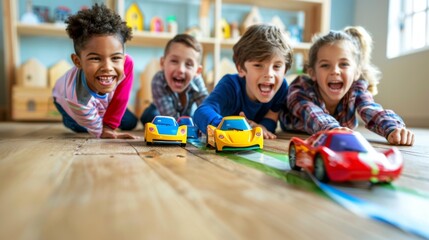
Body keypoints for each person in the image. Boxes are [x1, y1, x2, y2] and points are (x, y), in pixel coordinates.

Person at [279, 26, 414, 145]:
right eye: (325, 65)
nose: (335, 71)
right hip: (296, 128)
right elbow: (311, 113)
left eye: (344, 64)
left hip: (332, 130)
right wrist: (331, 128)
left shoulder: (356, 89)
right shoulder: (300, 90)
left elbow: (371, 110)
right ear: (312, 73)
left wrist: (393, 128)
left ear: (356, 72)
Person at [52, 4, 138, 139]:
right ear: (78, 61)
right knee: (80, 127)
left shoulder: (126, 63)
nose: (107, 67)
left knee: (130, 122)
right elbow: (100, 133)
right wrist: (105, 131)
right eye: (96, 58)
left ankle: (101, 112)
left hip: (101, 99)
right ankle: (69, 119)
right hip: (67, 101)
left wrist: (109, 125)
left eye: (115, 57)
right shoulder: (77, 99)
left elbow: (121, 97)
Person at [193, 24, 293, 139]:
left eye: (277, 66)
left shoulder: (281, 88)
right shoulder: (230, 85)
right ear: (241, 68)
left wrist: (261, 127)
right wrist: (228, 126)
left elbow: (271, 118)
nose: (269, 74)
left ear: (285, 69)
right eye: (258, 65)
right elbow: (201, 112)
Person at [140, 34, 208, 125]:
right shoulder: (158, 80)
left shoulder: (197, 80)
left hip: (187, 115)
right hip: (159, 110)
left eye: (188, 64)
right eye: (174, 61)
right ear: (162, 63)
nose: (181, 69)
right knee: (153, 116)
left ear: (197, 71)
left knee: (194, 117)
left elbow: (206, 107)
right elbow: (170, 118)